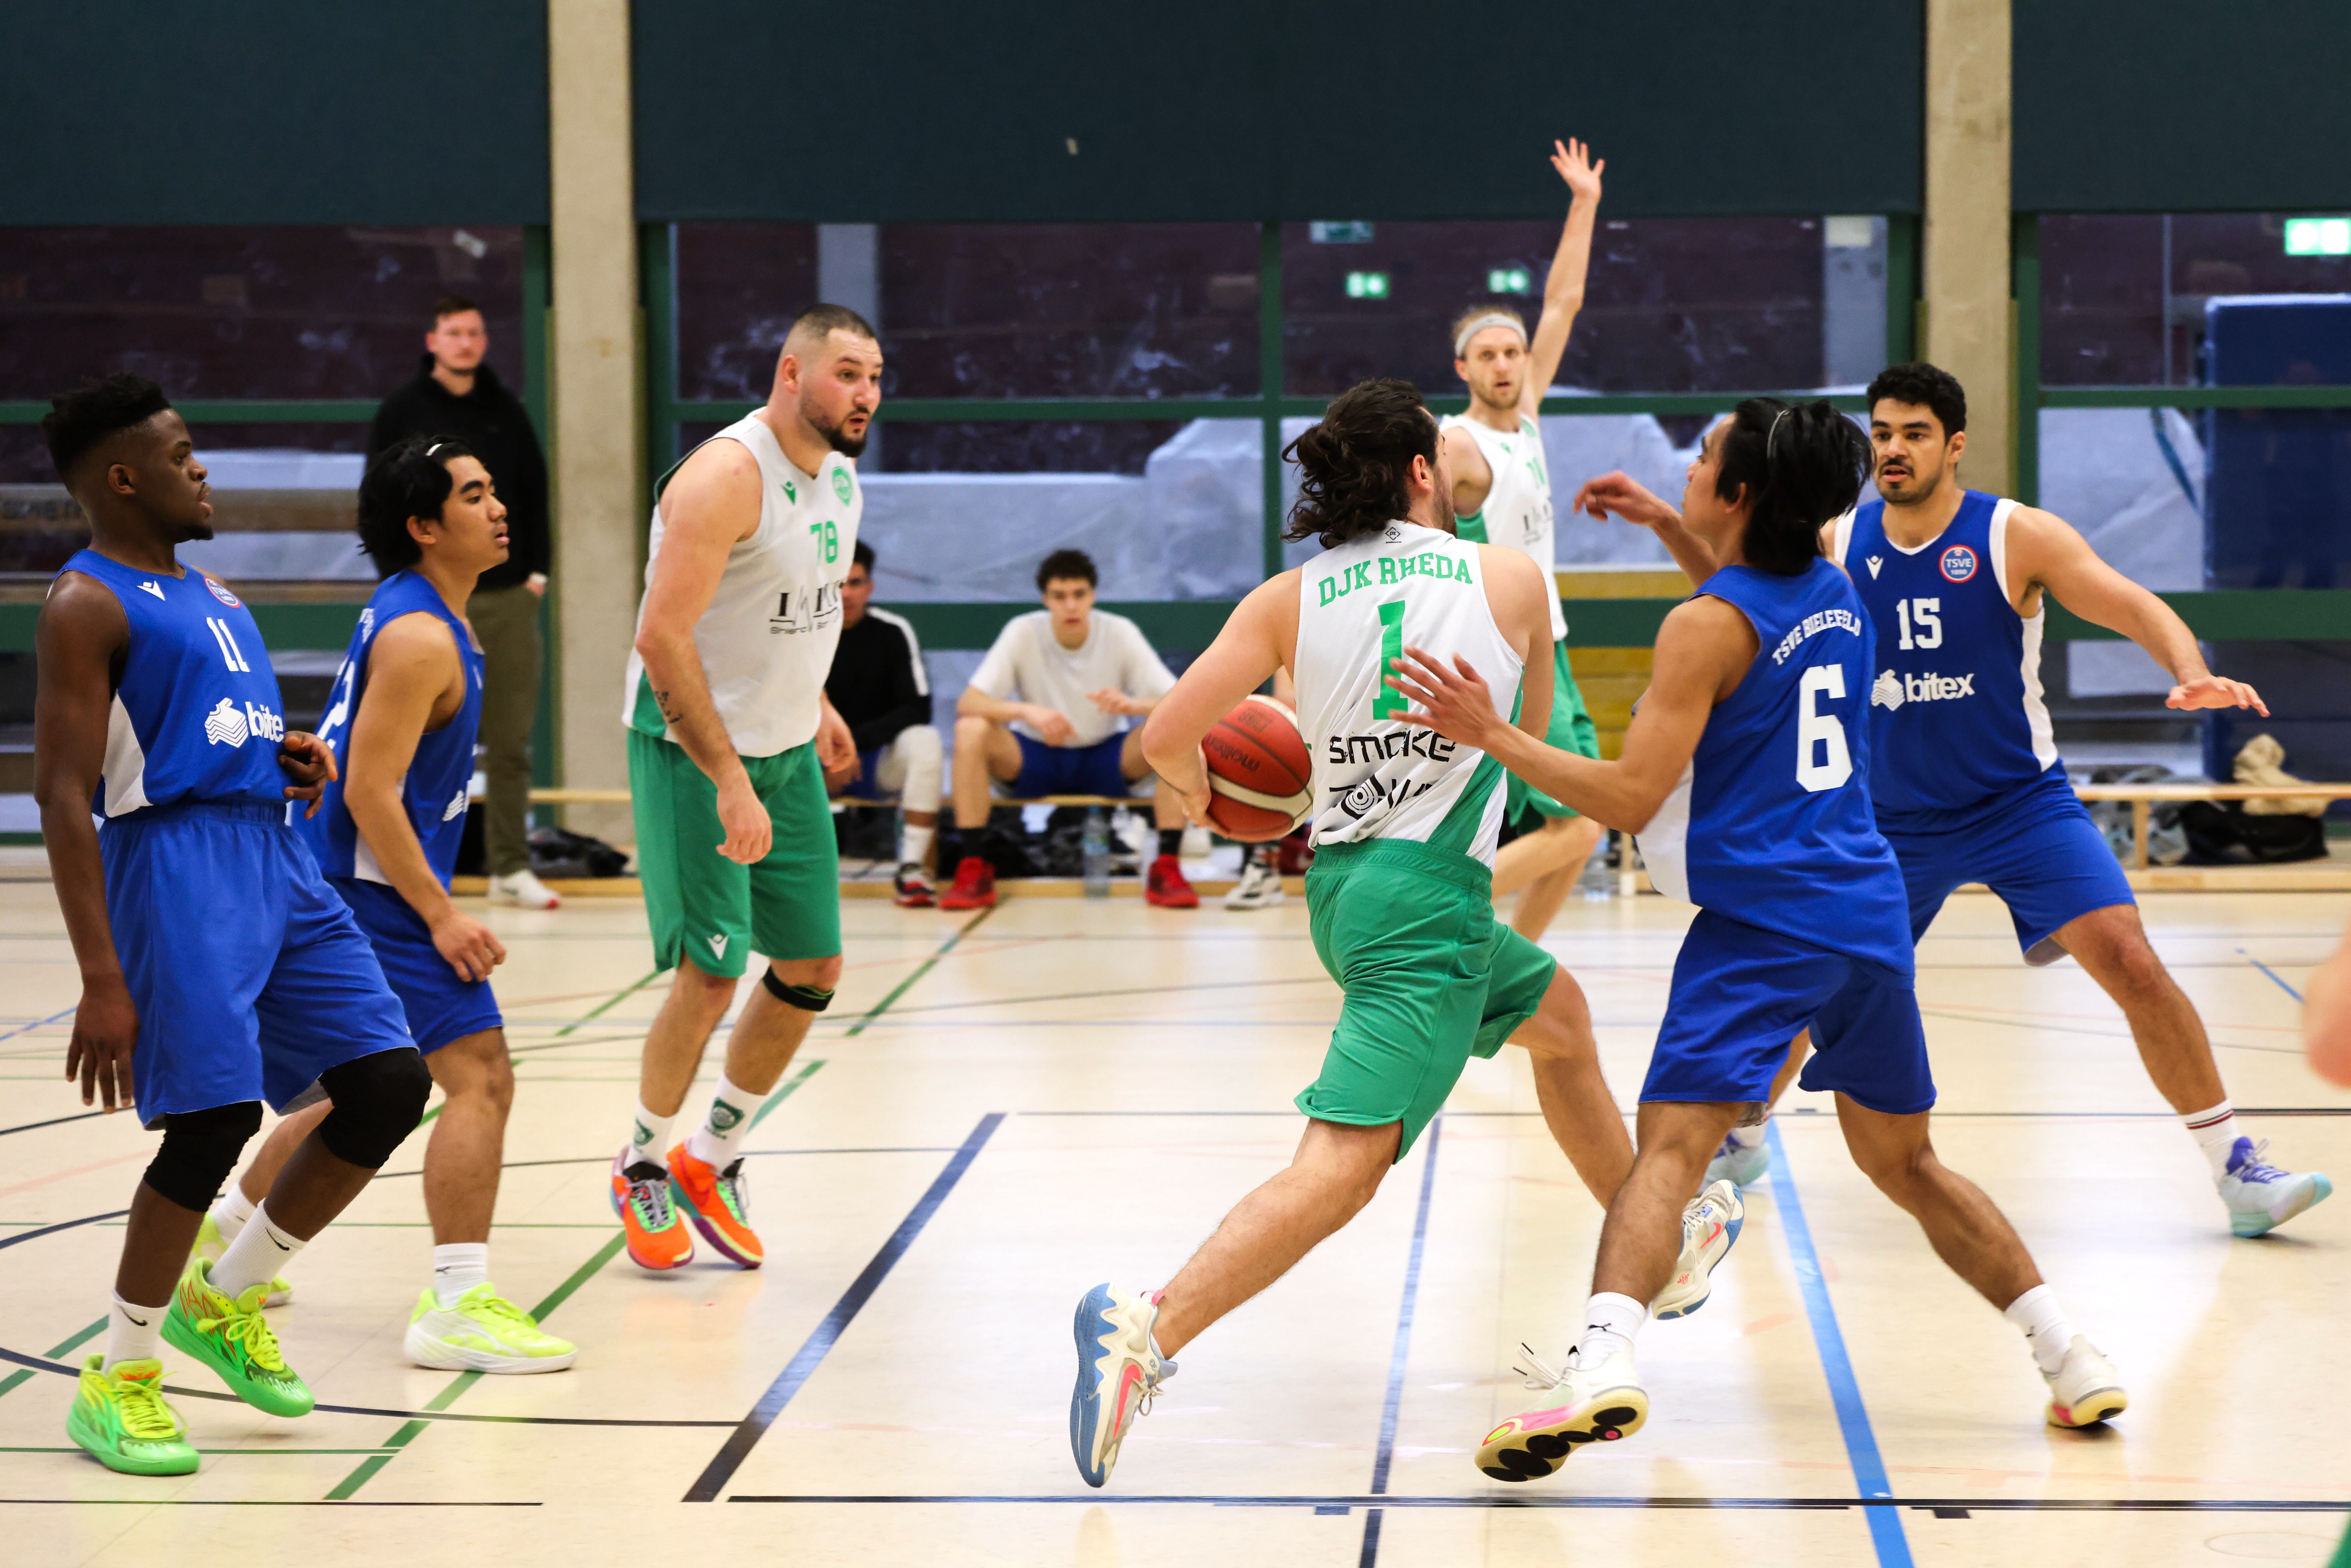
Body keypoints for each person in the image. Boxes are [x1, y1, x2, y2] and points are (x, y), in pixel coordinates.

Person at [1392, 398, 2125, 1481]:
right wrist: (1666, 526)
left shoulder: (1702, 629)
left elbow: (1630, 798)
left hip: (1764, 923)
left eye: (1699, 459)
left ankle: (1600, 1362)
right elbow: (1748, 606)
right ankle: (2068, 1354)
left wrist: (1492, 733)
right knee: (1908, 1161)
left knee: (1670, 1151)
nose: (1687, 467)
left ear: (1739, 495)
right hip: (1867, 913)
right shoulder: (1837, 593)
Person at [1065, 379, 1742, 1489]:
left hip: (1344, 891)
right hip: (1429, 901)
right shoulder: (1508, 577)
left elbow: (1168, 739)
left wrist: (1214, 803)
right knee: (1344, 1167)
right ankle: (1146, 1327)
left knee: (1561, 1023)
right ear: (1424, 471)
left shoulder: (1288, 596)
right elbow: (1527, 750)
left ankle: (1656, 1250)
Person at [1581, 362, 2333, 1235]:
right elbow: (1739, 594)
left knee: (2130, 958)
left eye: (1914, 434)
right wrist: (1665, 519)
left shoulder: (2014, 534)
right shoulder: (1838, 539)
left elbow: (2128, 602)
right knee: (1810, 985)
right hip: (1884, 822)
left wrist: (2190, 669)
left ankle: (2235, 1165)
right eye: (1881, 434)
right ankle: (1743, 1133)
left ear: (1955, 445)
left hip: (2018, 804)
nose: (1893, 450)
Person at [33, 375, 432, 1475]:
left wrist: (283, 757)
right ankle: (118, 1378)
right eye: (180, 456)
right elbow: (62, 790)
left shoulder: (217, 593)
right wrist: (101, 977)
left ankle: (228, 1294)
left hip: (274, 854)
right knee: (210, 1126)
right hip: (173, 870)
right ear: (123, 479)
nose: (200, 467)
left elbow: (203, 728)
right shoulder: (85, 602)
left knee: (389, 1083)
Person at [196, 438, 577, 1373]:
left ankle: (226, 1235)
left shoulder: (421, 610)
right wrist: (441, 912)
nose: (498, 507)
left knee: (354, 1090)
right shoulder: (421, 637)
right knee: (479, 1076)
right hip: (365, 889)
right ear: (423, 526)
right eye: (474, 495)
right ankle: (457, 1302)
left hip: (333, 878)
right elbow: (370, 789)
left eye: (494, 490)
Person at [609, 304, 873, 1273]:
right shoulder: (725, 477)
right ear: (791, 373)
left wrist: (819, 700)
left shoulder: (840, 477)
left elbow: (788, 610)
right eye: (847, 373)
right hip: (692, 748)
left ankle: (711, 1153)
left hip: (786, 745)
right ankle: (640, 1160)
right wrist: (727, 777)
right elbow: (661, 636)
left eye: (874, 377)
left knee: (812, 965)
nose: (865, 394)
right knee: (712, 971)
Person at [1438, 138, 1609, 944]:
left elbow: (1563, 302)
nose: (1504, 363)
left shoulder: (1527, 420)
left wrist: (1584, 203)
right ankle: (1447, 916)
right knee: (1579, 824)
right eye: (1487, 355)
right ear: (1462, 368)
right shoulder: (1456, 444)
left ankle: (1511, 965)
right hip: (1502, 654)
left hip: (1552, 644)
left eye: (1512, 351)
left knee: (1578, 828)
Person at [369, 294, 558, 912]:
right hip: (431, 591)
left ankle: (510, 864)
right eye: (454, 332)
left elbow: (533, 490)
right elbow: (379, 497)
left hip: (505, 597)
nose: (466, 343)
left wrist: (537, 573)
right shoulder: (402, 411)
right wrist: (404, 579)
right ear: (433, 341)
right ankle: (404, 865)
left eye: (475, 332)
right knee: (416, 738)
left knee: (510, 740)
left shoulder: (505, 410)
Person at [941, 549, 1197, 910]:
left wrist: (1133, 705)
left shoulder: (1119, 632)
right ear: (1045, 599)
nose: (1071, 605)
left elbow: (1181, 701)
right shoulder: (1023, 631)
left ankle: (1167, 866)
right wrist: (1026, 711)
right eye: (1060, 596)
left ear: (1093, 595)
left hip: (1105, 755)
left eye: (1079, 594)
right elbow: (969, 701)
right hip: (1036, 754)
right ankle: (973, 867)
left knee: (1177, 731)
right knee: (971, 729)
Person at [823, 540, 942, 907]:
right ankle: (764, 874)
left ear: (870, 587)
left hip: (876, 761)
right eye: (837, 583)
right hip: (815, 761)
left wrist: (855, 745)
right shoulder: (801, 633)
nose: (846, 594)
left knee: (926, 742)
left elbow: (918, 707)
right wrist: (827, 756)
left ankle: (911, 870)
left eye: (855, 583)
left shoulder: (893, 631)